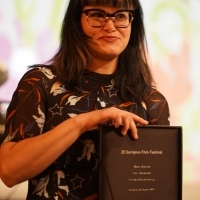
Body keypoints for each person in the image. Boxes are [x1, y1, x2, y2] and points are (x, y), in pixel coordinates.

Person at [0, 0, 170, 199]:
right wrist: (83, 122)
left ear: (133, 23)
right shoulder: (40, 83)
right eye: (97, 14)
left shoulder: (151, 101)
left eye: (121, 16)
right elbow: (9, 171)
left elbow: (158, 187)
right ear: (76, 21)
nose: (110, 26)